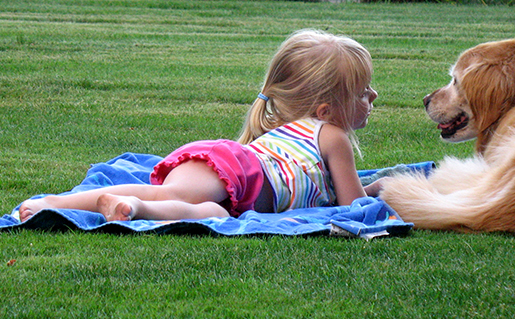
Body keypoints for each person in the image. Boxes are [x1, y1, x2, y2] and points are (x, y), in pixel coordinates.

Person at [19, 29, 382, 222]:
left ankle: (128, 206)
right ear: (325, 108)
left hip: (236, 188)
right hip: (239, 172)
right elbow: (352, 206)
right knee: (170, 196)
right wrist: (380, 190)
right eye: (363, 92)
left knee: (209, 214)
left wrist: (373, 184)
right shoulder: (332, 137)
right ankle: (54, 203)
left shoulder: (293, 132)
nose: (374, 96)